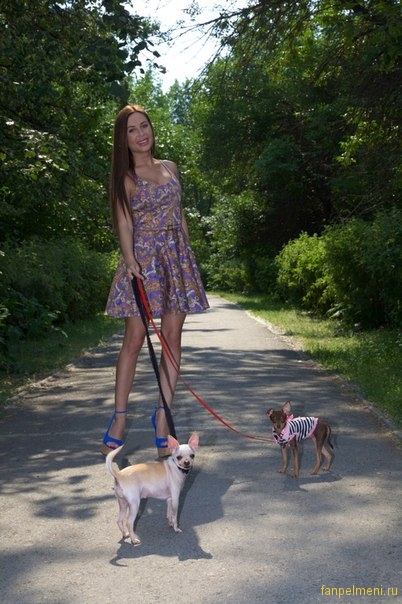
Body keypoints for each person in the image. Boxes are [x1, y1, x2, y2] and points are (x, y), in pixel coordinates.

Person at [100, 104, 209, 458]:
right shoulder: (126, 178)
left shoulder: (171, 168)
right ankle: (119, 418)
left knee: (173, 337)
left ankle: (163, 416)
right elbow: (124, 222)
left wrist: (187, 255)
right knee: (134, 339)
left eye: (143, 126)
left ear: (151, 129)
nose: (140, 134)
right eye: (131, 130)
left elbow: (180, 214)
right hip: (143, 261)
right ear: (123, 139)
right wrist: (130, 259)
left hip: (175, 259)